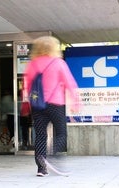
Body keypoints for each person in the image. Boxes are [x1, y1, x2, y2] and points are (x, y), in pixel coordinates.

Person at [23, 36, 79, 177]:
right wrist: (76, 101)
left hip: (38, 105)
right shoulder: (58, 63)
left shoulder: (32, 64)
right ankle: (53, 158)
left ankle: (41, 168)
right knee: (61, 133)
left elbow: (27, 87)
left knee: (40, 135)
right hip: (55, 104)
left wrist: (26, 104)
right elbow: (70, 83)